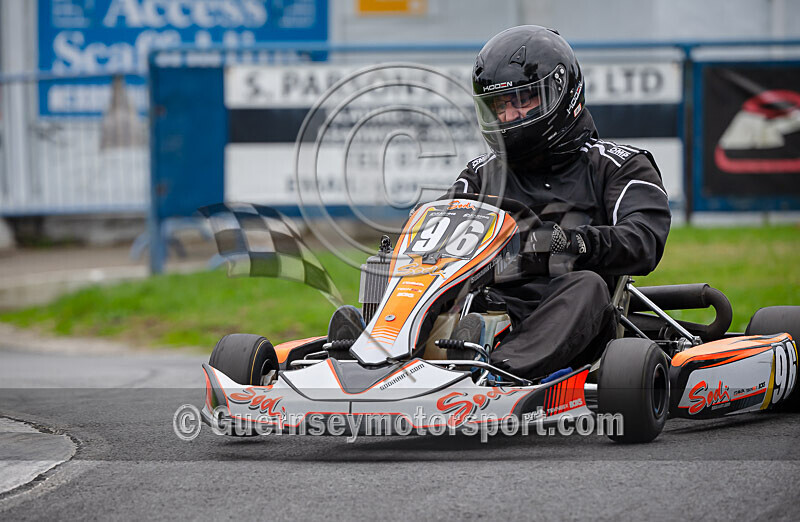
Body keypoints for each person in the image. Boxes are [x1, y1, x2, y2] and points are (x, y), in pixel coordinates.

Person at [452, 25, 672, 380]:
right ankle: (376, 351)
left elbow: (643, 240)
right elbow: (443, 230)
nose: (509, 117)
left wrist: (576, 242)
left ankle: (498, 373)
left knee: (587, 285)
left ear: (563, 93)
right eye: (499, 106)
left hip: (574, 315)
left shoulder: (619, 165)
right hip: (490, 309)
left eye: (522, 101)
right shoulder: (480, 174)